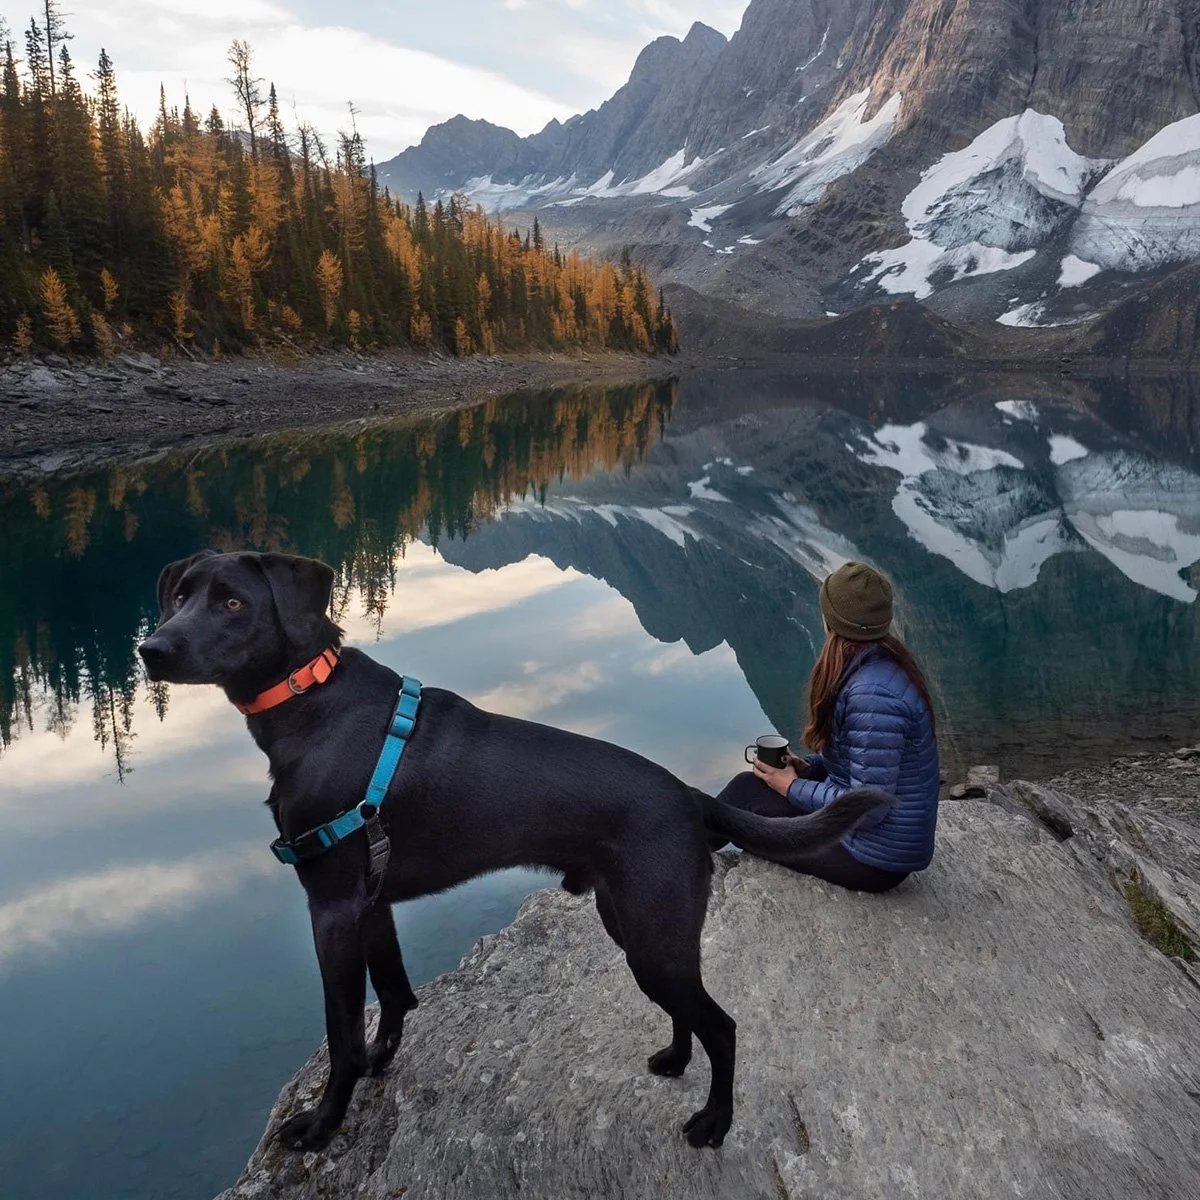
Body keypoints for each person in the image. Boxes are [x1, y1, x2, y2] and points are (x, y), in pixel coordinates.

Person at [716, 561, 939, 893]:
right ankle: (677, 848)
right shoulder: (881, 662)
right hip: (875, 843)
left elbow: (869, 808)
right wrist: (810, 767)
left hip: (871, 859)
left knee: (741, 807)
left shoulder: (871, 694)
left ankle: (668, 859)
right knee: (745, 789)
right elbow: (861, 763)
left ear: (831, 621)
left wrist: (791, 787)